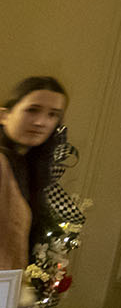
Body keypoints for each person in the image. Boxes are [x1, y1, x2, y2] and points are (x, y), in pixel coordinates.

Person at [1, 77, 67, 275]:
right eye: (32, 110)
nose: (40, 122)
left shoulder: (29, 168)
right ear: (4, 115)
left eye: (52, 115)